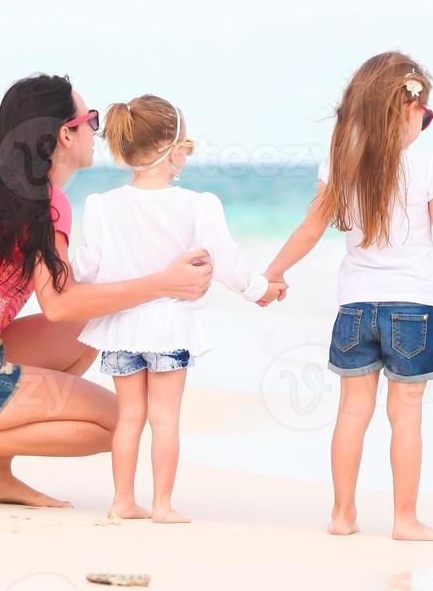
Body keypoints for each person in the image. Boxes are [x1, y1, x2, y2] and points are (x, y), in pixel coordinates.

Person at [0, 74, 214, 509]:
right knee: (119, 422)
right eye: (90, 120)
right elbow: (60, 304)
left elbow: (75, 305)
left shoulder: (0, 193)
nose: (97, 129)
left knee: (95, 327)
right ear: (64, 136)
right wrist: (163, 284)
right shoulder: (45, 203)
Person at [263, 52, 433, 540]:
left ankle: (342, 515)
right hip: (412, 308)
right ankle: (405, 519)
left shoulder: (338, 163)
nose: (426, 124)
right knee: (406, 415)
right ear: (406, 110)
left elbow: (312, 228)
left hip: (355, 308)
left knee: (352, 412)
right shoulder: (429, 168)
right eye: (426, 114)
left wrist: (274, 271)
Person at [74, 95, 285, 524]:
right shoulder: (198, 204)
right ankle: (163, 505)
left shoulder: (101, 205)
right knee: (165, 417)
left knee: (129, 416)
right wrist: (259, 290)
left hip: (118, 327)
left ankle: (121, 502)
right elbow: (227, 263)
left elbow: (85, 269)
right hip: (168, 325)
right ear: (174, 148)